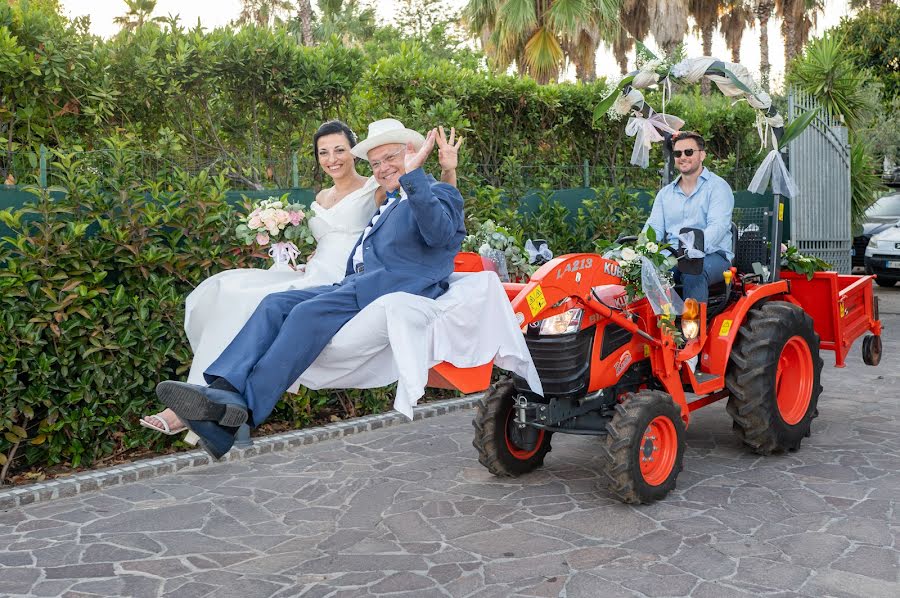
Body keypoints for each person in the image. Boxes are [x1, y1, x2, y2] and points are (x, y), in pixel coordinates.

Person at [153, 118, 466, 459]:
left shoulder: (436, 192)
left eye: (390, 158)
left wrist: (420, 173)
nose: (382, 168)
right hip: (354, 282)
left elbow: (439, 234)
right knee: (275, 303)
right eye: (375, 163)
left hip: (392, 286)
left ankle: (238, 418)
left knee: (304, 315)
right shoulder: (392, 200)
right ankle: (223, 391)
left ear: (411, 153)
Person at [643, 130, 734, 303]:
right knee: (648, 272)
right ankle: (656, 326)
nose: (683, 157)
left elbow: (718, 227)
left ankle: (693, 328)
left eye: (689, 152)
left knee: (693, 271)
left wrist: (693, 249)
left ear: (702, 155)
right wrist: (642, 248)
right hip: (672, 256)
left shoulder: (718, 188)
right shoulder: (665, 194)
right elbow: (653, 228)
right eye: (678, 153)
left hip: (712, 255)